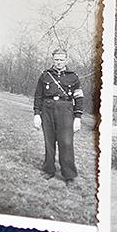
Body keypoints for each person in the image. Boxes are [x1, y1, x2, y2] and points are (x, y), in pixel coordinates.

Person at [32, 49, 83, 183]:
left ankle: (69, 174)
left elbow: (79, 98)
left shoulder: (73, 76)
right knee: (49, 141)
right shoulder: (45, 75)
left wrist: (77, 117)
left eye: (61, 59)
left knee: (66, 142)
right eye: (56, 59)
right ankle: (49, 170)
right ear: (53, 60)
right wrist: (37, 114)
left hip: (66, 110)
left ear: (66, 60)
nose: (59, 62)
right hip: (47, 109)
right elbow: (38, 96)